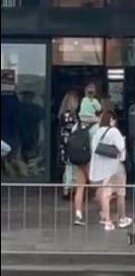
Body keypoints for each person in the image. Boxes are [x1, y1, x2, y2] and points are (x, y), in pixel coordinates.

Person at [88, 109, 132, 232]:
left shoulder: (97, 133)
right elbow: (121, 147)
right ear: (112, 120)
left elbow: (94, 149)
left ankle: (107, 220)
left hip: (102, 169)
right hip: (115, 167)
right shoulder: (114, 131)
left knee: (105, 194)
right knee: (120, 193)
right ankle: (122, 218)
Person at [58, 92, 88, 226]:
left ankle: (68, 189)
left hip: (68, 144)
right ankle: (68, 189)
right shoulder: (69, 116)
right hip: (70, 145)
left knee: (69, 168)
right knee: (70, 168)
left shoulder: (64, 115)